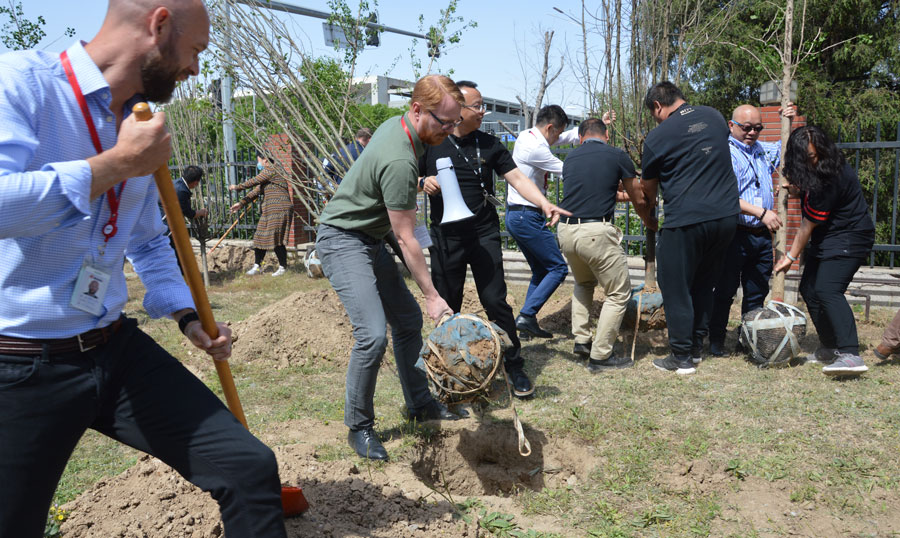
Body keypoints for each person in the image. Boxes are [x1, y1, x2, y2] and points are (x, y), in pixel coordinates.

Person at [0, 1, 287, 537]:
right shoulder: (21, 83)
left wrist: (185, 313)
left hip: (112, 348)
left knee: (248, 468)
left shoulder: (142, 122)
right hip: (19, 362)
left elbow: (150, 242)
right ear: (158, 26)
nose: (197, 68)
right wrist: (115, 165)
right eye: (196, 50)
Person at [315, 75, 466, 461]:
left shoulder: (398, 126)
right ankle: (359, 426)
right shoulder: (401, 156)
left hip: (369, 237)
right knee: (371, 334)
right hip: (343, 238)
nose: (449, 131)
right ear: (417, 109)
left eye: (453, 123)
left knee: (406, 319)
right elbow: (406, 239)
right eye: (443, 122)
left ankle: (420, 405)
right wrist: (433, 295)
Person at [419, 80, 569, 398]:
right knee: (448, 305)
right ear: (458, 109)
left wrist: (543, 202)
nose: (483, 110)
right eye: (479, 105)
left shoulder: (489, 144)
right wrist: (424, 181)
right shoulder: (431, 142)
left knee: (496, 302)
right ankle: (445, 375)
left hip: (484, 233)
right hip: (446, 238)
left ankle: (514, 366)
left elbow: (516, 177)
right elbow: (407, 178)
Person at [638, 81, 740, 375]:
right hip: (726, 217)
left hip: (686, 219)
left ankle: (681, 356)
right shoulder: (715, 116)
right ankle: (695, 347)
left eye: (654, 113)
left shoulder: (658, 137)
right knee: (704, 282)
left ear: (658, 106)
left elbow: (650, 190)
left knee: (675, 285)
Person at [774, 125, 875, 376]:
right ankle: (831, 347)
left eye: (815, 154)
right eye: (808, 157)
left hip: (850, 236)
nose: (814, 159)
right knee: (809, 288)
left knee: (828, 289)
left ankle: (851, 354)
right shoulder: (815, 172)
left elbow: (807, 225)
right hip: (830, 236)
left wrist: (789, 257)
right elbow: (812, 194)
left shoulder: (831, 175)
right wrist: (797, 191)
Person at [557, 118, 657, 372]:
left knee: (583, 283)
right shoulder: (617, 155)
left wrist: (618, 195)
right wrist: (648, 219)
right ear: (607, 135)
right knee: (618, 293)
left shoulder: (571, 158)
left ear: (581, 138)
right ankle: (601, 356)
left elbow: (592, 189)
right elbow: (637, 196)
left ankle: (581, 340)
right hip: (595, 233)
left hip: (566, 232)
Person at [708, 104, 794, 356]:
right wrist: (761, 212)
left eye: (758, 128)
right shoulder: (723, 154)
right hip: (733, 234)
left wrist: (785, 119)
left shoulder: (762, 152)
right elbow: (724, 198)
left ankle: (748, 339)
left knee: (756, 291)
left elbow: (786, 147)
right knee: (724, 292)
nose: (752, 133)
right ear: (731, 125)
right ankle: (716, 341)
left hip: (760, 237)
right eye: (746, 127)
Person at [506, 105, 580, 339]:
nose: (558, 139)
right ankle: (527, 315)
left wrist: (595, 126)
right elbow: (567, 170)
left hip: (518, 215)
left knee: (541, 270)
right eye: (556, 134)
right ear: (549, 128)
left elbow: (565, 136)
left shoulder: (527, 136)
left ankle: (527, 325)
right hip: (526, 216)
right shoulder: (535, 148)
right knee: (557, 268)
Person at [229, 151, 293, 277]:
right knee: (259, 236)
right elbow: (256, 191)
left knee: (276, 238)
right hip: (270, 210)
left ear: (266, 160)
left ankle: (282, 267)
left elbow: (254, 181)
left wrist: (237, 187)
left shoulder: (272, 169)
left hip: (279, 208)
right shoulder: (268, 176)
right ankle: (257, 266)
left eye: (259, 160)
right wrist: (241, 203)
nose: (258, 163)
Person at [161, 165, 207, 271]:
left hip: (163, 225)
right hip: (167, 228)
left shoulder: (176, 183)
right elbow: (189, 213)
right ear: (196, 182)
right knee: (177, 253)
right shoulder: (182, 191)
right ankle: (182, 276)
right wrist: (201, 212)